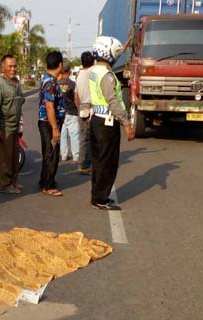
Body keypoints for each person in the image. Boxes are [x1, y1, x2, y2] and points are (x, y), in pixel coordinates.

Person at [88, 36, 135, 210]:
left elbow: (114, 53)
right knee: (108, 161)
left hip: (96, 121)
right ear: (108, 54)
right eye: (115, 53)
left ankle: (96, 195)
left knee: (98, 161)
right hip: (107, 123)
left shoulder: (95, 70)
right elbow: (113, 102)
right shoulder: (107, 76)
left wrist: (125, 45)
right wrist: (126, 123)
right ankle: (101, 198)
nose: (117, 56)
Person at [0, 54, 24, 194]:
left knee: (14, 157)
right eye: (10, 66)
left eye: (15, 66)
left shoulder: (17, 84)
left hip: (15, 127)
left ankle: (13, 182)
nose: (13, 69)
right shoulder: (0, 85)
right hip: (4, 128)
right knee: (4, 158)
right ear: (3, 68)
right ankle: (5, 184)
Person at [38, 51, 65, 196]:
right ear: (59, 64)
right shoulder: (50, 82)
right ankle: (48, 185)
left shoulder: (48, 79)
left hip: (49, 123)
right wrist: (55, 128)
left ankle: (45, 180)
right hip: (48, 123)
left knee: (49, 152)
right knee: (51, 154)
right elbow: (49, 106)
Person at [75, 51, 94, 175]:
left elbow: (76, 96)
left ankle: (83, 163)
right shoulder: (93, 74)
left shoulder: (79, 74)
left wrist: (79, 108)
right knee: (90, 138)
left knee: (83, 138)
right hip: (90, 107)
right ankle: (84, 165)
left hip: (81, 107)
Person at [58, 60, 79, 164]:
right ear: (70, 71)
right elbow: (76, 99)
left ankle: (64, 155)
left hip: (61, 113)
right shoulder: (73, 84)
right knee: (74, 134)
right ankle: (76, 156)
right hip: (72, 112)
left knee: (63, 134)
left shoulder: (57, 84)